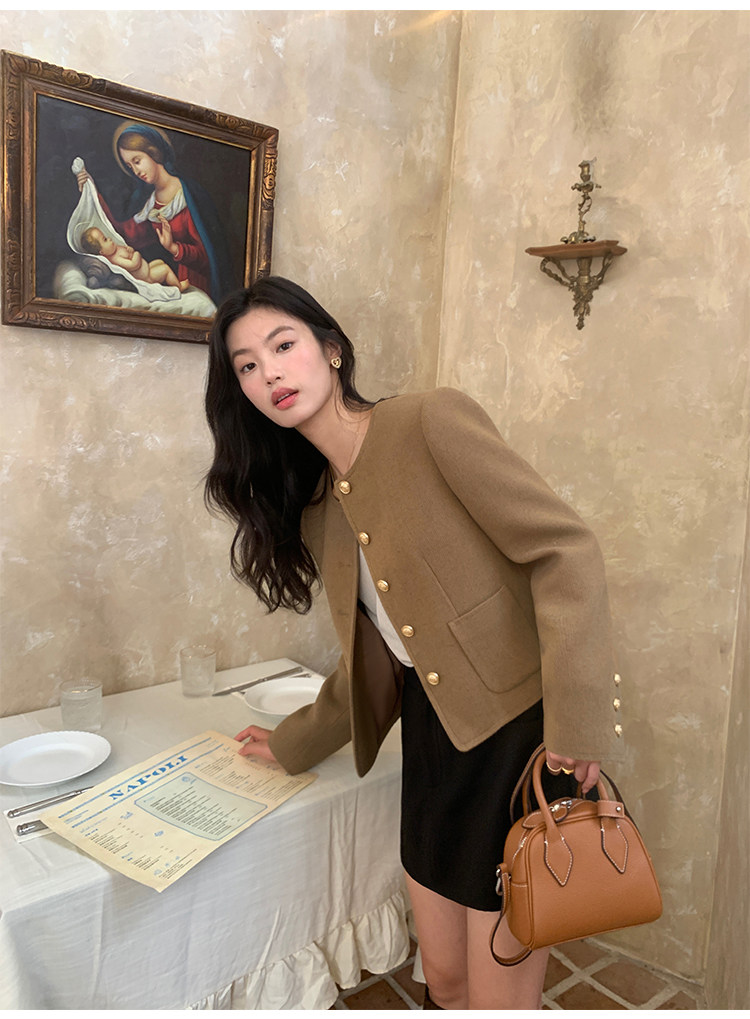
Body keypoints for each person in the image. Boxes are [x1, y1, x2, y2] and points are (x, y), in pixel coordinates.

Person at [203, 277, 623, 1010]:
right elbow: (378, 659)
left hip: (517, 743)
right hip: (431, 744)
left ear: (331, 350)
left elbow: (564, 549)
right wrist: (294, 741)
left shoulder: (429, 421)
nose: (269, 372)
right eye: (247, 365)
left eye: (283, 345)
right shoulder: (318, 507)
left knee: (498, 996)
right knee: (446, 979)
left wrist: (580, 723)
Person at [76, 123, 231, 302]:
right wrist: (92, 193)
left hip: (197, 283)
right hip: (172, 285)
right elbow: (124, 234)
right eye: (130, 166)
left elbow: (208, 257)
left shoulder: (190, 196)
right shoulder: (151, 205)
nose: (136, 171)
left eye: (137, 161)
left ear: (153, 152)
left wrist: (174, 248)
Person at [80, 226, 189, 291]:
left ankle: (167, 283)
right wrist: (137, 254)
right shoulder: (115, 259)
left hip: (147, 269)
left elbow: (128, 252)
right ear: (102, 252)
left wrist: (130, 250)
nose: (109, 239)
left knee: (160, 262)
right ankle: (178, 287)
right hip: (146, 277)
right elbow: (133, 265)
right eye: (104, 240)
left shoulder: (115, 249)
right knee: (165, 269)